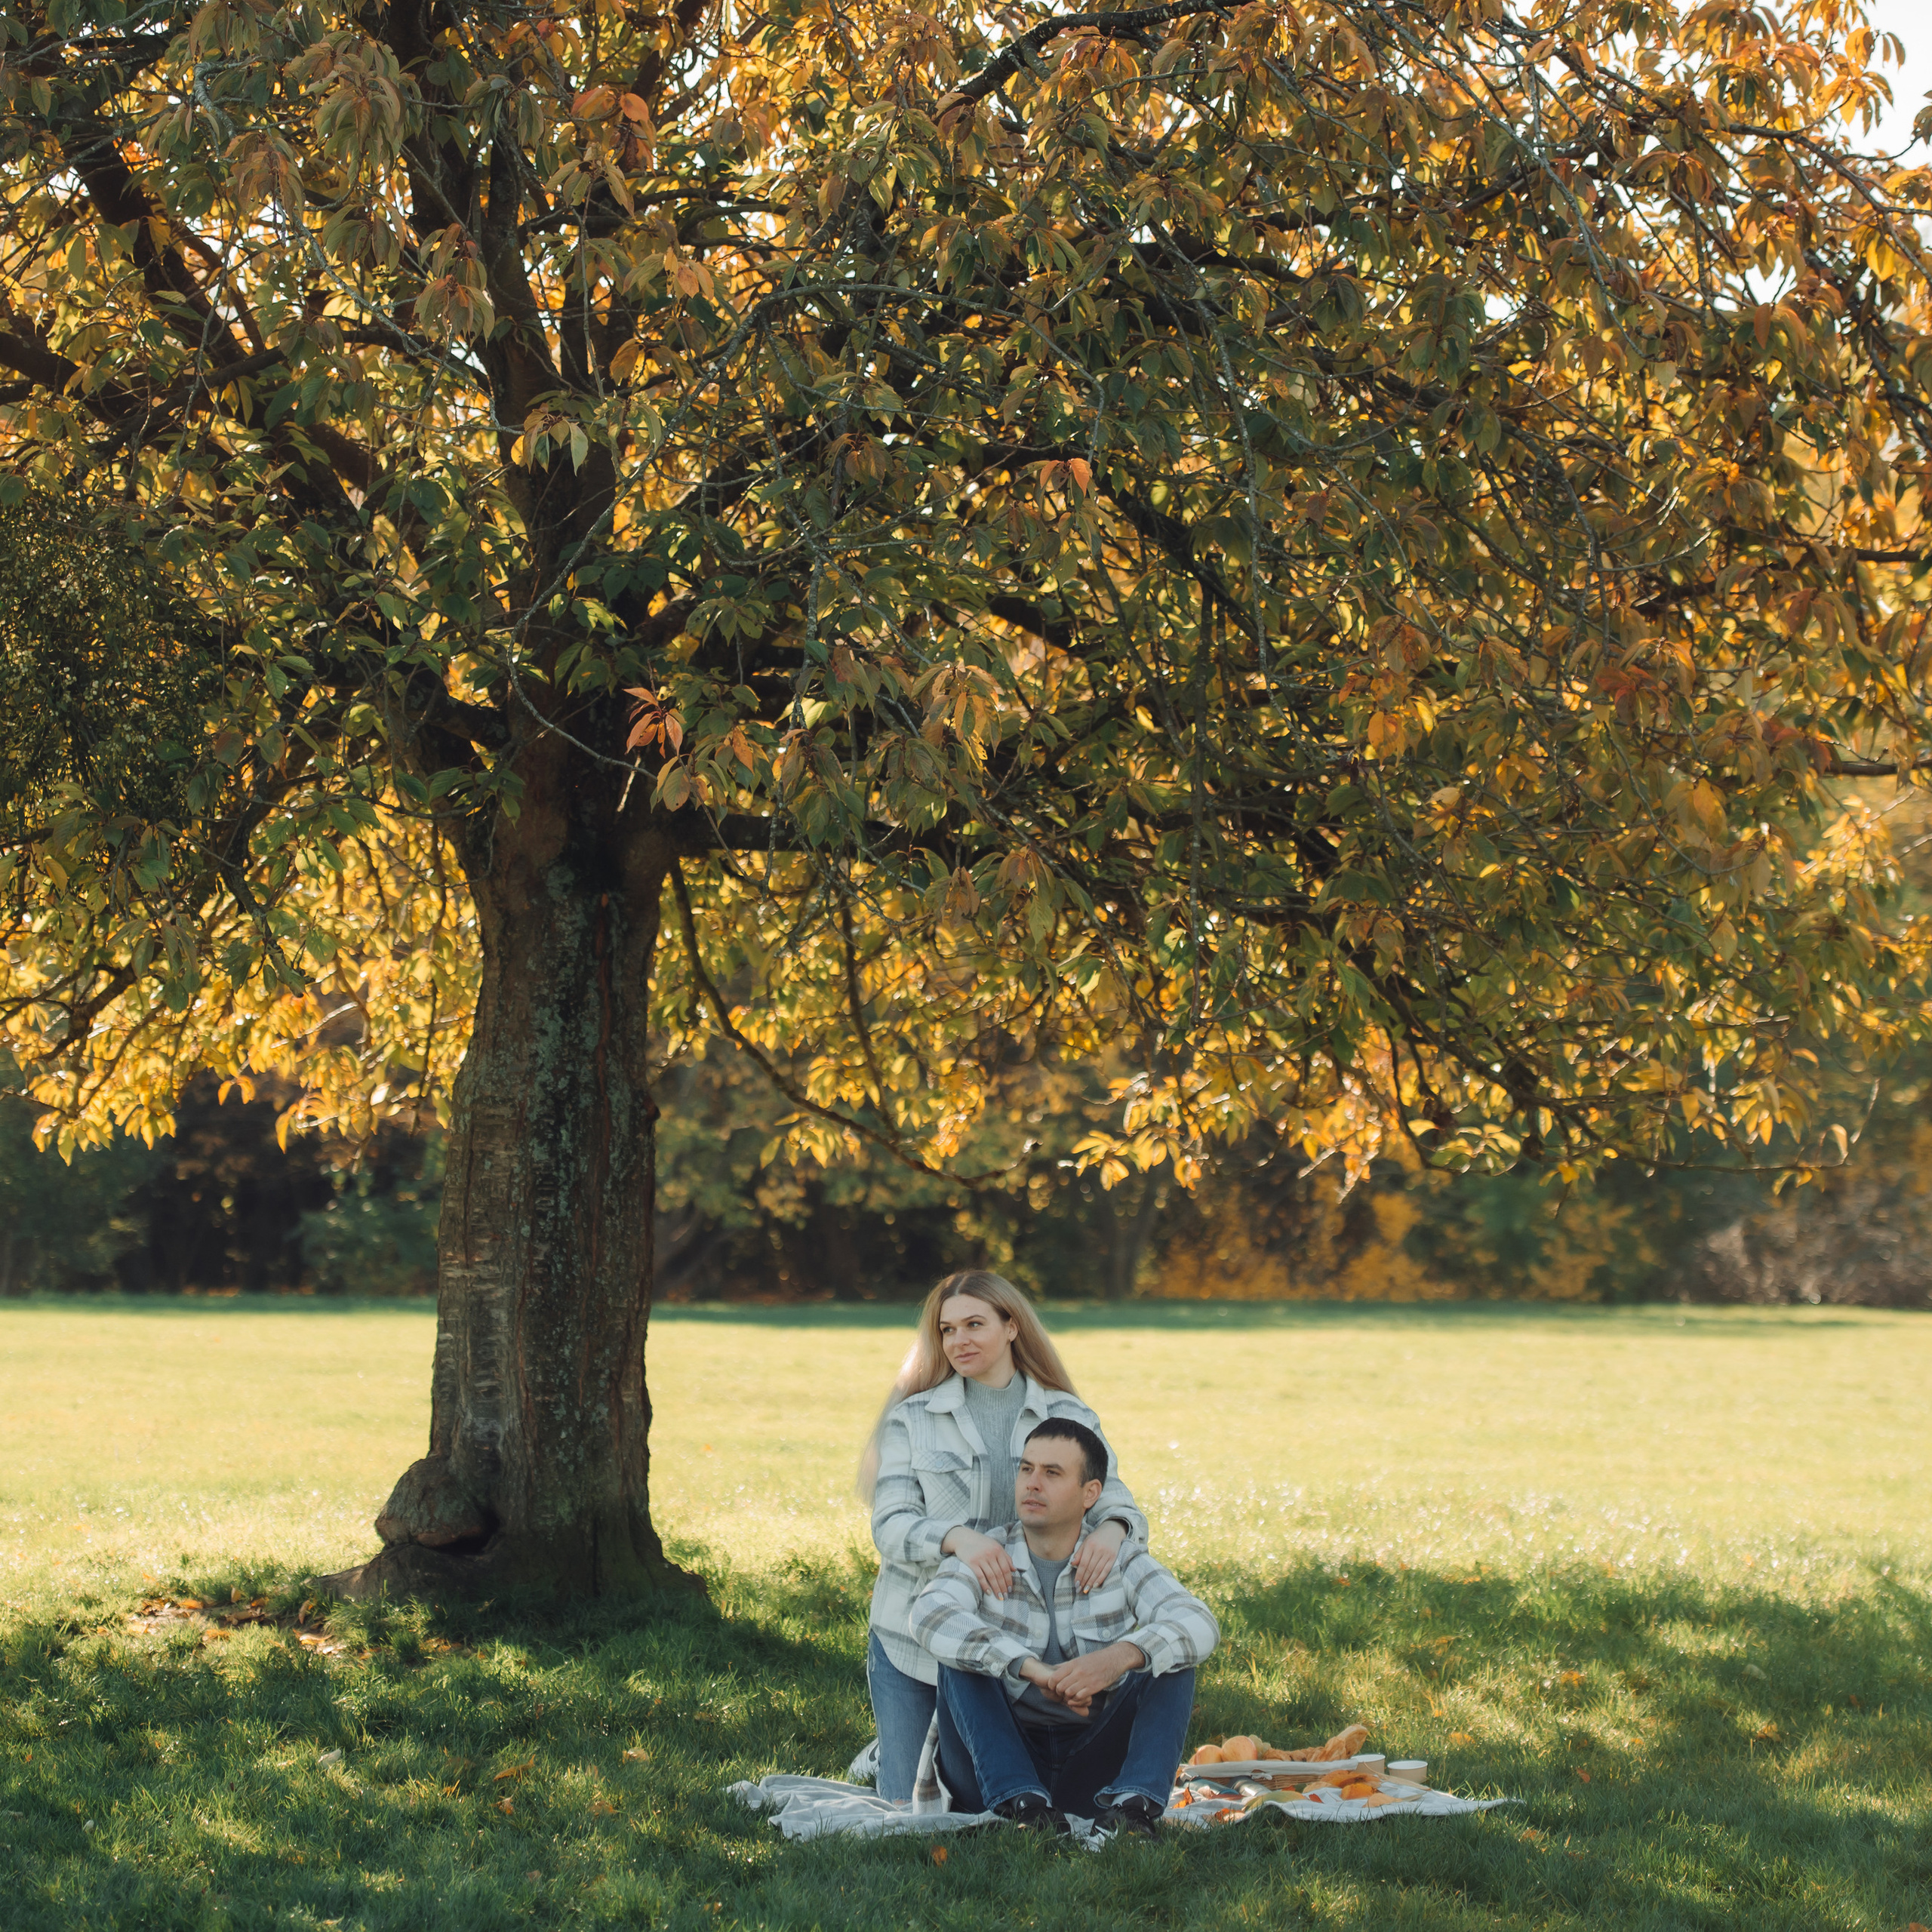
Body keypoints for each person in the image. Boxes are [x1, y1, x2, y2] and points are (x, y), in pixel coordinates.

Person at [861, 1270, 1146, 1803]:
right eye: (947, 1330)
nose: (959, 1341)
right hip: (912, 1638)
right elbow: (890, 1524)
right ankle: (893, 1750)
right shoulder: (913, 1418)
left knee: (1000, 1802)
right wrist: (957, 1539)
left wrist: (1113, 1529)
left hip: (1017, 1640)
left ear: (1012, 1326)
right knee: (905, 1812)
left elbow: (1111, 1495)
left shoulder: (1066, 1412)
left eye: (975, 1324)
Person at [910, 1417, 1217, 1835]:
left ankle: (1132, 1810)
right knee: (962, 1655)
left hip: (1094, 1771)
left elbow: (1198, 1621)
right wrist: (1033, 1669)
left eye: (1052, 1473)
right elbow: (928, 1616)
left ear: (1090, 1493)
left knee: (1171, 1654)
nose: (1032, 1484)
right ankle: (1024, 1808)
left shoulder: (1119, 1560)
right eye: (1026, 1469)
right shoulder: (987, 1554)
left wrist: (1116, 1659)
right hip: (992, 1771)